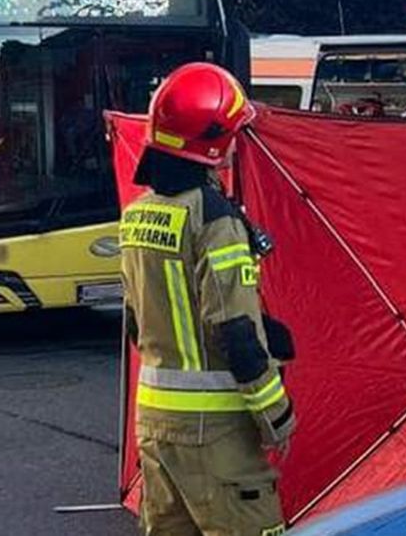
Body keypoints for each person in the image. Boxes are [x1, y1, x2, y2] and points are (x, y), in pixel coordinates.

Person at [121, 63, 295, 535]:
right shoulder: (216, 221)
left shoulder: (138, 215)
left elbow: (139, 322)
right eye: (234, 133)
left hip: (155, 426)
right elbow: (234, 333)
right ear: (215, 140)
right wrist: (277, 414)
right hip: (217, 435)